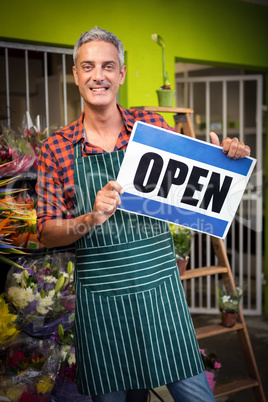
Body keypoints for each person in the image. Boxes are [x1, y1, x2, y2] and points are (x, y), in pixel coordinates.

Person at [36, 27, 250, 402]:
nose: (97, 75)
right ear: (75, 74)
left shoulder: (151, 130)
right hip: (102, 308)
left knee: (195, 396)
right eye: (87, 66)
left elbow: (202, 183)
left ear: (121, 73)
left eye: (107, 66)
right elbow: (47, 233)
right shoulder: (55, 148)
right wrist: (90, 218)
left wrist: (227, 157)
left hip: (162, 297)